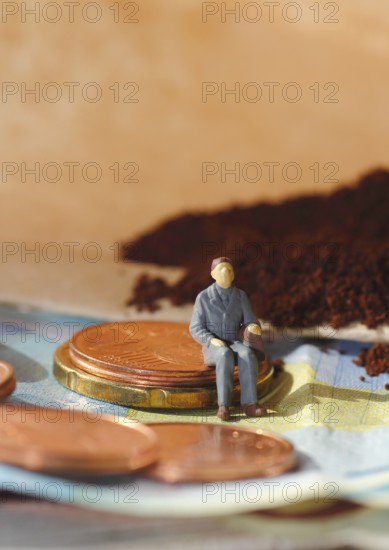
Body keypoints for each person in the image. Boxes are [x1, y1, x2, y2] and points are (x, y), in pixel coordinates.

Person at [189, 256, 267, 421]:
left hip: (235, 341)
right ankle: (223, 405)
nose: (225, 273)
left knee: (247, 354)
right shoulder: (203, 297)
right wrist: (210, 339)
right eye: (221, 270)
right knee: (224, 354)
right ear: (213, 274)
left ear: (233, 275)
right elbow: (195, 327)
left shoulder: (241, 296)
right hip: (214, 345)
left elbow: (250, 320)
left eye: (229, 270)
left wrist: (252, 327)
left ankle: (250, 404)